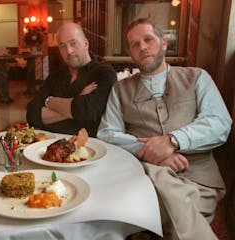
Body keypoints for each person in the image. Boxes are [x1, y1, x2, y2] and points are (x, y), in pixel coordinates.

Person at [97, 18, 232, 240]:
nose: (142, 47)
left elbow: (219, 123)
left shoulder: (197, 77)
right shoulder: (120, 90)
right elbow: (106, 134)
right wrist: (153, 154)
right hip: (144, 176)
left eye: (148, 39)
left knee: (137, 212)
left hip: (199, 180)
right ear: (130, 53)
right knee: (156, 203)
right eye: (134, 44)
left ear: (164, 43)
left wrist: (172, 141)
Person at [26, 22, 116, 137]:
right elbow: (32, 114)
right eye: (63, 46)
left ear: (86, 43)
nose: (68, 51)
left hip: (86, 147)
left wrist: (49, 101)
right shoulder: (54, 77)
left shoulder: (104, 74)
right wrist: (77, 99)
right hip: (46, 144)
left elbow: (87, 112)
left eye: (73, 43)